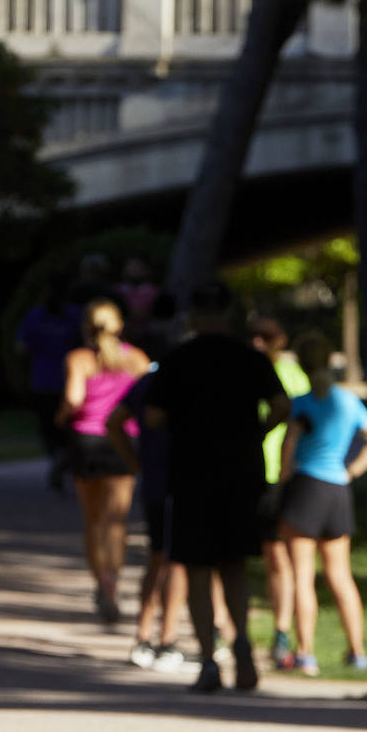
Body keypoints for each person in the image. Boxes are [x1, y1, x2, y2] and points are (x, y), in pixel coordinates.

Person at [145, 280, 289, 692]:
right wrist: (258, 433)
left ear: (193, 315)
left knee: (196, 569)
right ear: (229, 314)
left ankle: (209, 659)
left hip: (191, 475)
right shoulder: (250, 358)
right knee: (235, 564)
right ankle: (241, 638)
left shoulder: (178, 359)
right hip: (241, 472)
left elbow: (153, 417)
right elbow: (282, 406)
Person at [278, 331, 367, 675]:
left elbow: (287, 450)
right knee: (341, 575)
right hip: (338, 491)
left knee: (302, 576)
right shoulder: (347, 400)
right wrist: (351, 470)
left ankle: (306, 652)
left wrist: (281, 485)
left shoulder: (301, 403)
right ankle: (356, 652)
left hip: (307, 488)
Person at [106, 292, 191, 671]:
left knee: (159, 557)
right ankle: (165, 639)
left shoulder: (148, 381)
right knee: (176, 562)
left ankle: (144, 636)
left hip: (156, 479)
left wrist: (136, 462)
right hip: (180, 482)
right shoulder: (185, 381)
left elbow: (114, 423)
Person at [56, 298, 150, 624]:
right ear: (119, 326)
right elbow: (150, 399)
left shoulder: (80, 359)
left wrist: (61, 416)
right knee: (117, 521)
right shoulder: (137, 358)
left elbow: (73, 398)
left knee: (93, 519)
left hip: (87, 441)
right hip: (123, 440)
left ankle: (101, 582)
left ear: (86, 327)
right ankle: (114, 580)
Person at [249, 317, 311, 670]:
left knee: (277, 556)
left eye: (266, 337)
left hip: (278, 473)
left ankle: (281, 631)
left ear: (279, 340)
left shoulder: (292, 375)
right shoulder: (242, 369)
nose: (259, 342)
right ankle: (223, 628)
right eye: (254, 336)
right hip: (247, 470)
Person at [14, 274, 82, 490]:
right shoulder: (75, 315)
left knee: (47, 426)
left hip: (42, 379)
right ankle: (68, 457)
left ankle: (58, 455)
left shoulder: (35, 317)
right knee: (70, 426)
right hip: (71, 379)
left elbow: (21, 348)